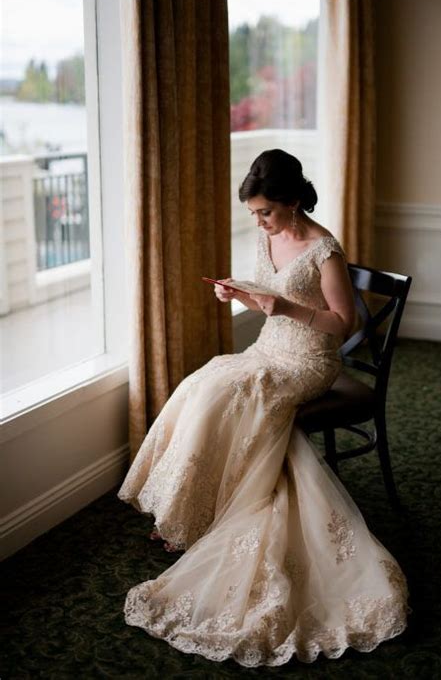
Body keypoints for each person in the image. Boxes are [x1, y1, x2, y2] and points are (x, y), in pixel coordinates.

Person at [117, 149, 409, 667]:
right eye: (254, 213)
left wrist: (285, 307)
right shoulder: (267, 234)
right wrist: (247, 297)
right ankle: (195, 510)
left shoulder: (325, 250)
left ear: (293, 202)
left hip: (308, 361)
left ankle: (213, 513)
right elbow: (271, 300)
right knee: (200, 386)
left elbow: (342, 324)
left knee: (232, 395)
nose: (258, 221)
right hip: (268, 348)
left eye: (265, 212)